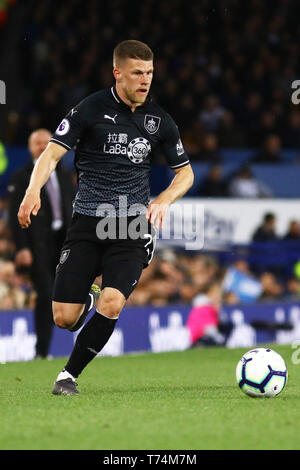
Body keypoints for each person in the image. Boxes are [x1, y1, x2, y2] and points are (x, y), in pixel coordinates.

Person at [17, 40, 194, 395]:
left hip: (130, 225)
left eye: (149, 73)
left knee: (114, 303)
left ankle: (68, 376)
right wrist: (32, 190)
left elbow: (186, 174)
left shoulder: (159, 120)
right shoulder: (89, 109)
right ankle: (89, 298)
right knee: (64, 319)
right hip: (86, 222)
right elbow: (51, 155)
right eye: (137, 73)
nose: (145, 80)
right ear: (118, 73)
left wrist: (163, 199)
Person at [8, 128, 75, 358]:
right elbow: (14, 218)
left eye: (47, 142)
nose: (42, 146)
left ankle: (73, 348)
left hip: (64, 243)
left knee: (66, 293)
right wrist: (22, 248)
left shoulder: (66, 175)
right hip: (38, 246)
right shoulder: (22, 177)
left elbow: (74, 208)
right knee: (46, 295)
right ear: (29, 147)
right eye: (37, 142)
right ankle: (42, 352)